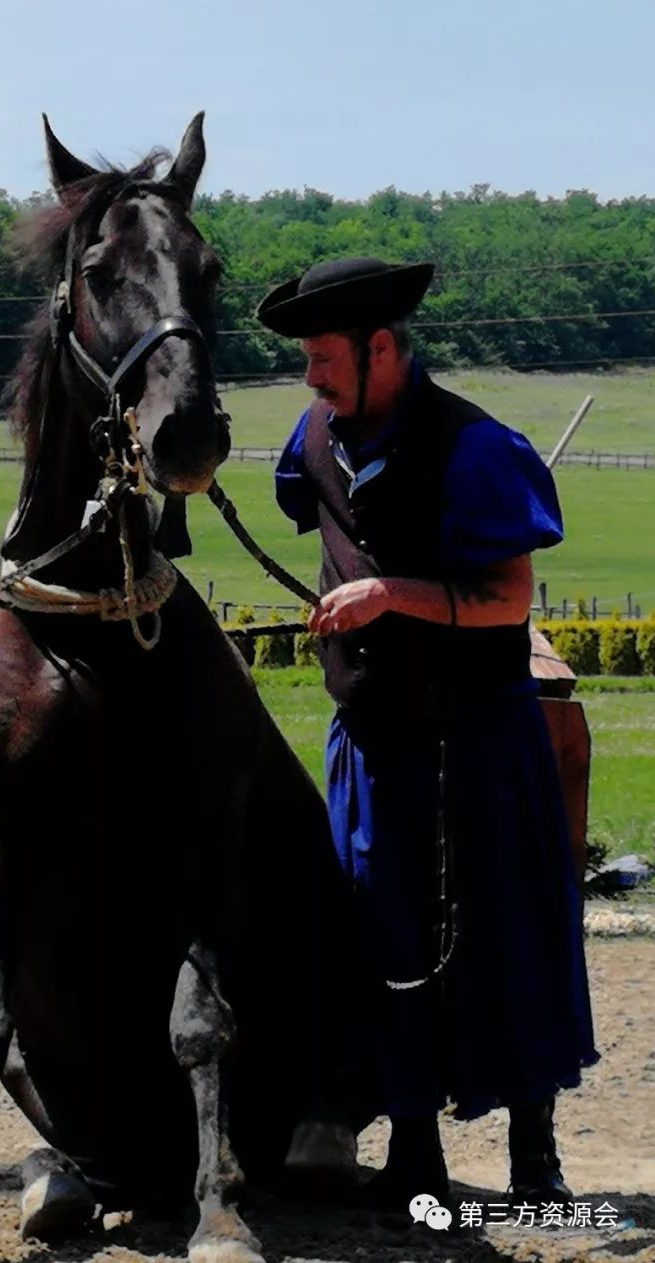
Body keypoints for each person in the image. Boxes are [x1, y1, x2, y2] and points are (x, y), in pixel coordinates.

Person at [257, 256, 598, 1209]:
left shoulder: (478, 448)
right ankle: (414, 1151)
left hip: (482, 743)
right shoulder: (313, 435)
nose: (311, 376)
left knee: (512, 937)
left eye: (325, 357)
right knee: (381, 938)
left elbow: (506, 600)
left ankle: (536, 1154)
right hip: (371, 745)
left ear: (381, 348)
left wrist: (388, 595)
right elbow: (317, 515)